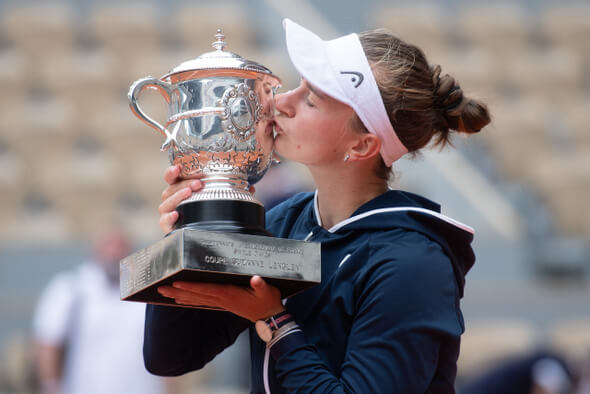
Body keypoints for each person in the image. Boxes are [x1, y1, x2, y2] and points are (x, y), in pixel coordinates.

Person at [143, 18, 491, 393]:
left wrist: (275, 323)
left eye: (311, 99)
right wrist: (186, 232)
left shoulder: (413, 263)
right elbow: (170, 358)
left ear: (362, 145)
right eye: (298, 86)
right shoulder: (282, 223)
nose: (280, 101)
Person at [32, 229, 169, 394]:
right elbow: (48, 343)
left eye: (121, 246)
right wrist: (51, 387)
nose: (115, 253)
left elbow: (166, 349)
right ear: (95, 249)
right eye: (109, 245)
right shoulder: (71, 288)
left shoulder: (150, 291)